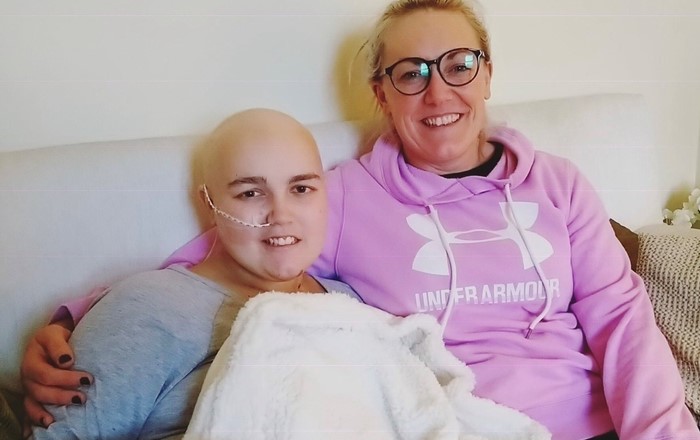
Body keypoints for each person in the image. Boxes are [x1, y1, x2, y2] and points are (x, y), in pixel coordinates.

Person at [21, 0, 700, 439]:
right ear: (382, 92)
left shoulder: (556, 182)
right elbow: (223, 254)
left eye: (460, 65)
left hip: (600, 424)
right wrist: (69, 321)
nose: (439, 91)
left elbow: (621, 316)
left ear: (488, 75)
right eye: (411, 72)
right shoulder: (339, 197)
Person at [27, 108, 358, 439]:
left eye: (301, 188)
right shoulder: (150, 307)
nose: (281, 215)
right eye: (250, 193)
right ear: (210, 203)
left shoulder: (350, 303)